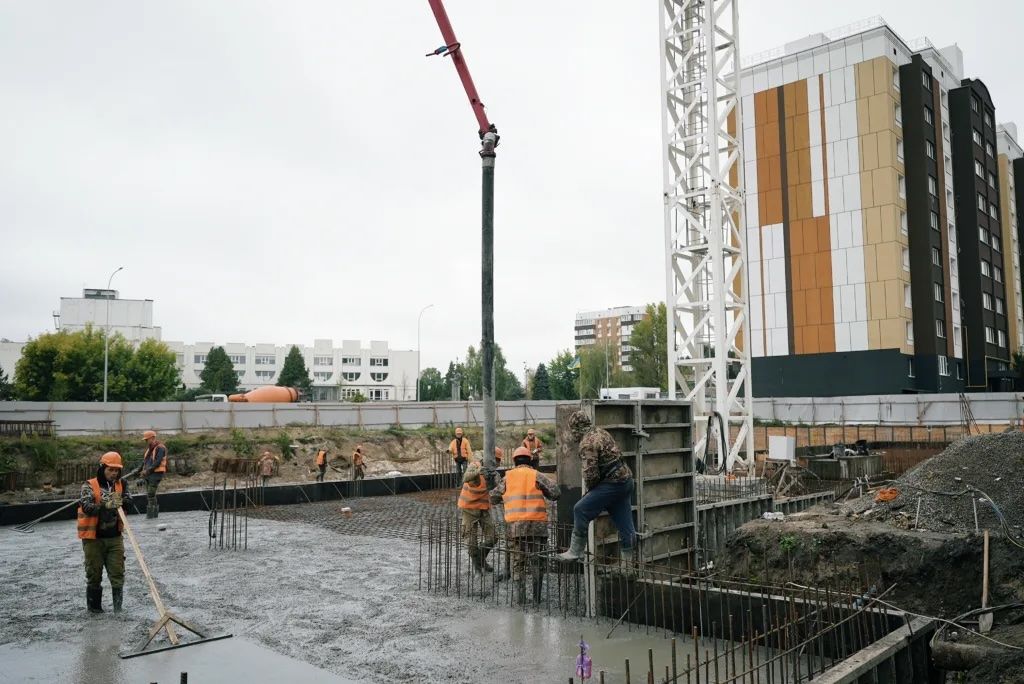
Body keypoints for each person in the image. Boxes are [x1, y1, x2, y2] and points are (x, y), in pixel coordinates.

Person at [557, 410, 636, 564]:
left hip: (612, 483)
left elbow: (590, 474)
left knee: (580, 509)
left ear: (575, 429)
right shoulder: (601, 432)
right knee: (625, 525)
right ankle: (628, 566)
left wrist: (591, 494)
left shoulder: (587, 443)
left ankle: (575, 551)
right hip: (626, 481)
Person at [490, 446, 560, 602]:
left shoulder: (507, 477)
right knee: (537, 561)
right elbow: (556, 493)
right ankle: (537, 598)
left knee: (518, 562)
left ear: (514, 461)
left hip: (515, 528)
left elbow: (493, 498)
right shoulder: (537, 475)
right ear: (530, 460)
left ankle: (520, 598)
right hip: (538, 526)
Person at [78, 451, 131, 613]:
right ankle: (95, 611)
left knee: (117, 574)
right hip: (94, 539)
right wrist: (105, 505)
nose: (114, 473)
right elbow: (86, 507)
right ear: (102, 468)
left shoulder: (122, 484)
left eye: (116, 470)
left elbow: (129, 501)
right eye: (110, 470)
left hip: (114, 537)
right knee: (93, 575)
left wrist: (121, 501)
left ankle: (118, 610)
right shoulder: (89, 485)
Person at [457, 460, 496, 574]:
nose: (497, 463)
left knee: (493, 538)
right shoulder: (475, 465)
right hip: (469, 509)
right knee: (471, 542)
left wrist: (491, 479)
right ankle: (478, 567)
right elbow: (465, 478)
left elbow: (497, 489)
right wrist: (479, 471)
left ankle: (480, 560)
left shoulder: (493, 473)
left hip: (483, 509)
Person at [125, 430, 166, 519]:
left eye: (146, 439)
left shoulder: (160, 448)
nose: (146, 441)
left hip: (156, 474)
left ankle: (152, 515)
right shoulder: (149, 449)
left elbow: (157, 462)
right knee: (149, 495)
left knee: (151, 493)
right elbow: (145, 461)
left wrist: (147, 471)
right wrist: (138, 470)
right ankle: (152, 515)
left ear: (153, 438)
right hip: (150, 474)